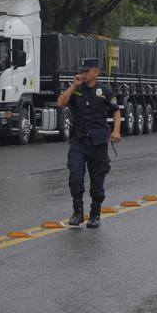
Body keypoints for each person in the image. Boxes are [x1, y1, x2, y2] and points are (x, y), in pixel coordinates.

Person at [57, 58, 121, 228]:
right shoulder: (76, 90)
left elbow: (116, 111)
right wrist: (72, 86)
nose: (83, 74)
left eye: (87, 71)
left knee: (97, 180)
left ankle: (95, 213)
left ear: (96, 72)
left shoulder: (105, 91)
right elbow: (61, 103)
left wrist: (116, 130)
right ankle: (78, 212)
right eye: (82, 71)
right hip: (79, 140)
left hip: (98, 142)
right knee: (76, 175)